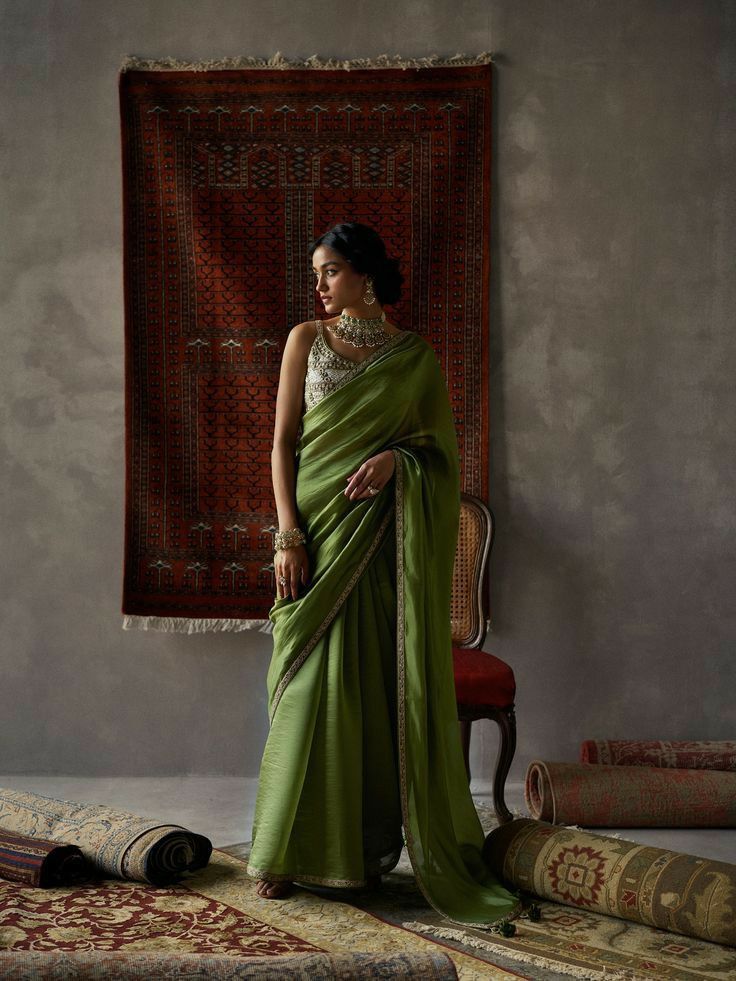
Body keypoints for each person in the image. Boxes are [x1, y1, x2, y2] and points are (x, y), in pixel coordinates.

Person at [246, 222, 519, 928]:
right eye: (318, 272)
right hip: (314, 533)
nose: (320, 285)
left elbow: (439, 459)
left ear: (364, 275)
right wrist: (287, 535)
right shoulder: (304, 338)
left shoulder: (415, 358)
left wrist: (400, 463)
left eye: (330, 270)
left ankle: (355, 854)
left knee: (364, 692)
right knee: (306, 686)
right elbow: (281, 444)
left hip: (378, 542)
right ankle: (281, 849)